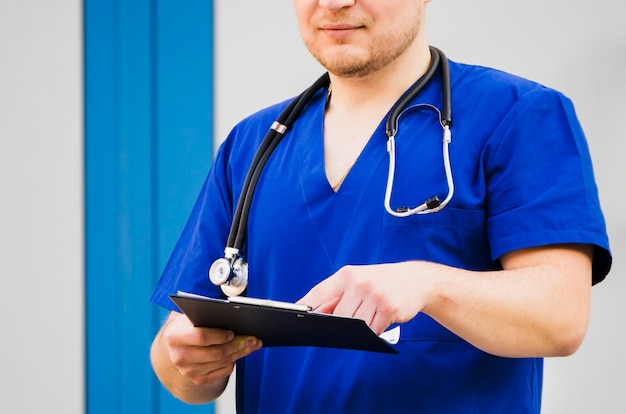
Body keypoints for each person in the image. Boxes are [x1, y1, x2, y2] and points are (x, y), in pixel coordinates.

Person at [150, 0, 612, 412]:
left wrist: (425, 282)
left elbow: (561, 317)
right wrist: (187, 359)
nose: (333, 3)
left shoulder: (518, 116)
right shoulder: (253, 145)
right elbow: (180, 365)